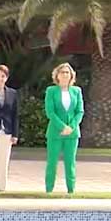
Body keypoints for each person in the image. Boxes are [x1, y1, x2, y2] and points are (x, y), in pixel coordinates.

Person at [44, 62, 84, 194]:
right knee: (52, 162)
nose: (65, 75)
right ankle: (49, 190)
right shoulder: (51, 91)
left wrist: (71, 127)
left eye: (67, 72)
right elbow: (50, 112)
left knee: (70, 162)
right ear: (57, 75)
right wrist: (62, 126)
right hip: (55, 132)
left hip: (72, 134)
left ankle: (71, 190)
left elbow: (80, 111)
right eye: (62, 72)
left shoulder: (76, 91)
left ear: (71, 75)